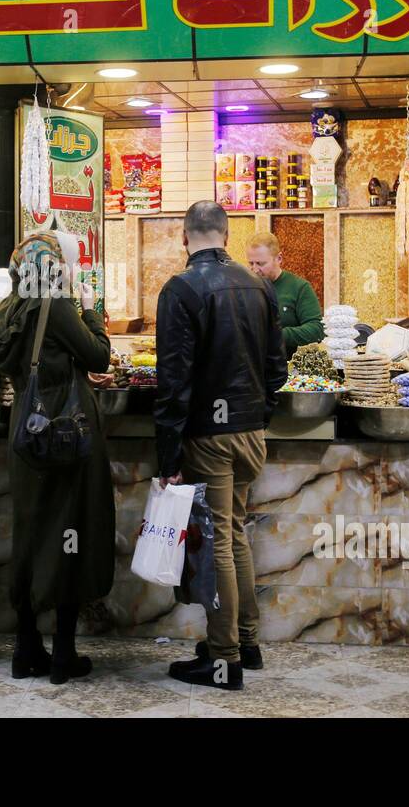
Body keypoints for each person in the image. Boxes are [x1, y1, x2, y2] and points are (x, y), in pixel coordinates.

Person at [154, 202, 287, 691]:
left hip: (209, 438)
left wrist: (167, 456)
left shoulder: (180, 289)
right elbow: (278, 367)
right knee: (235, 533)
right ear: (227, 236)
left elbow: (174, 382)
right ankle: (245, 642)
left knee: (219, 543)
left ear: (183, 237)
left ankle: (223, 659)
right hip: (251, 431)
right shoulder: (260, 286)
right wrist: (257, 416)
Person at [0, 231, 115, 685]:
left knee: (31, 533)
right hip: (66, 431)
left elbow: (3, 364)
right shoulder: (55, 306)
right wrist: (92, 311)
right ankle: (63, 652)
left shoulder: (8, 309)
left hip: (25, 430)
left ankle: (25, 649)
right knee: (70, 533)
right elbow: (98, 356)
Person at [245, 231, 324, 359]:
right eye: (250, 263)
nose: (255, 269)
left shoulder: (299, 288)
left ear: (279, 258)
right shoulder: (243, 287)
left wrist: (276, 335)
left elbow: (316, 330)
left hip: (288, 368)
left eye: (261, 263)